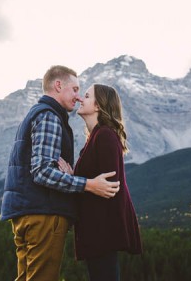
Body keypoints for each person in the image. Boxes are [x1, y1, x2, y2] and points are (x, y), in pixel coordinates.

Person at [0, 65, 121, 281]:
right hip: (44, 214)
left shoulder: (35, 114)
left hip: (25, 212)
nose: (77, 97)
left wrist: (72, 175)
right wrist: (88, 184)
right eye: (75, 89)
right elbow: (42, 171)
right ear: (58, 85)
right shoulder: (49, 116)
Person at [59, 84, 142, 281]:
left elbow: (109, 184)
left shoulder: (104, 135)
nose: (80, 99)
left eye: (86, 96)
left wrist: (75, 180)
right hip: (97, 229)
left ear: (98, 105)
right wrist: (74, 177)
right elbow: (95, 181)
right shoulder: (97, 136)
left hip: (103, 230)